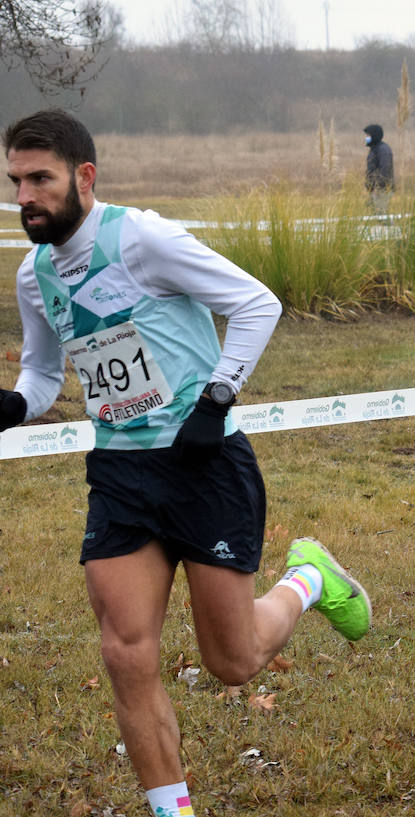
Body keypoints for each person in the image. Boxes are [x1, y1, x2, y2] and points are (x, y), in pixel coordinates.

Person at [2, 109, 372, 817]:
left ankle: (308, 576)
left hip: (204, 462)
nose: (25, 197)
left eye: (40, 179)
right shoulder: (35, 274)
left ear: (84, 176)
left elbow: (256, 303)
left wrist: (217, 397)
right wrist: (15, 405)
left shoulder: (142, 238)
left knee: (232, 661)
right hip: (119, 473)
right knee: (125, 652)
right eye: (15, 181)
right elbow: (45, 376)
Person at [363, 123, 394, 213]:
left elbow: (385, 169)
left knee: (381, 214)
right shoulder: (374, 149)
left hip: (383, 189)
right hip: (374, 189)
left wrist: (378, 186)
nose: (367, 137)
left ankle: (391, 227)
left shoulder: (383, 149)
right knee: (373, 214)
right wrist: (369, 186)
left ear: (374, 135)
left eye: (368, 135)